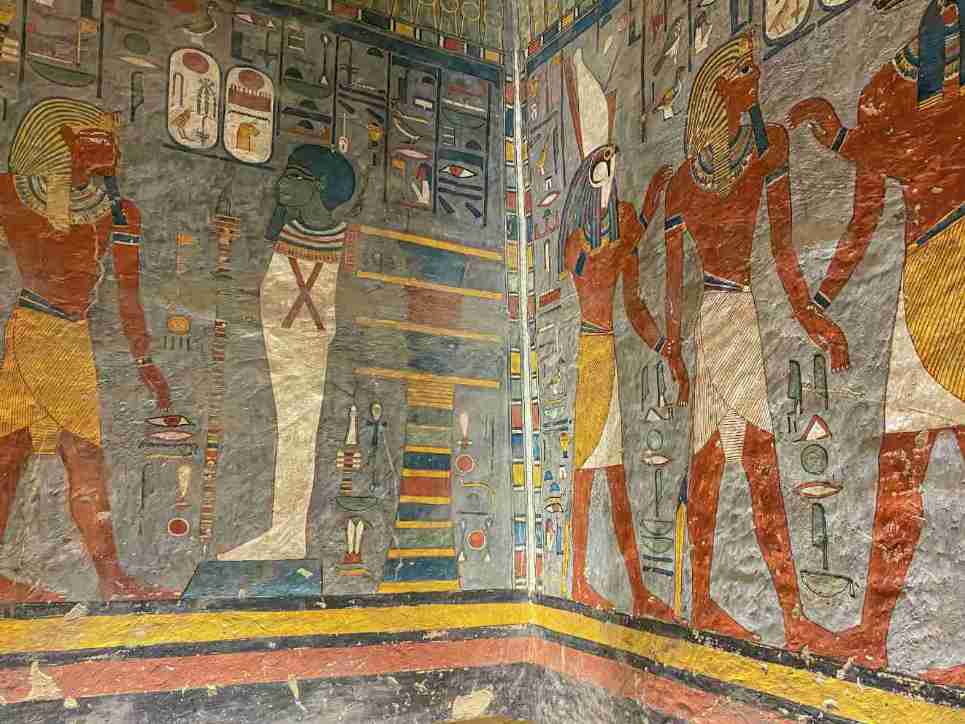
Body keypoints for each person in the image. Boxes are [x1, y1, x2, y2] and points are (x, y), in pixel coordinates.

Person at [788, 0, 965, 675]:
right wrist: (822, 299)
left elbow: (913, 148)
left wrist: (840, 140)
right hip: (925, 276)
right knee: (899, 469)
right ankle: (875, 634)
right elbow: (869, 207)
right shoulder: (893, 83)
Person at [663, 36, 848, 650]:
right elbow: (673, 285)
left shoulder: (769, 151)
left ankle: (766, 613)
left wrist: (813, 316)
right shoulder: (682, 182)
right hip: (716, 322)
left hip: (739, 314)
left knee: (733, 461)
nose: (756, 80)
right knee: (736, 461)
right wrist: (673, 354)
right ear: (717, 84)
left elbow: (783, 252)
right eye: (744, 71)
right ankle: (738, 610)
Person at [0, 98, 171, 601]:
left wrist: (144, 359)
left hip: (67, 338)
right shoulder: (14, 192)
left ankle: (111, 577)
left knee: (33, 453)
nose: (105, 150)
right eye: (90, 141)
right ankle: (111, 578)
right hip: (33, 329)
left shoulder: (120, 213)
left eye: (107, 141)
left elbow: (127, 296)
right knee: (49, 455)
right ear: (60, 145)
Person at [219, 145, 355, 561]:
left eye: (293, 176)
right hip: (274, 343)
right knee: (274, 432)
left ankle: (289, 536)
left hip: (313, 349)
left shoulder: (347, 240)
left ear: (319, 185)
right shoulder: (285, 235)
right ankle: (277, 532)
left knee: (299, 437)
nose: (282, 184)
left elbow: (343, 302)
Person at [561, 142, 676, 620]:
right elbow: (596, 272)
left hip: (607, 352)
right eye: (601, 170)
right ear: (587, 181)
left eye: (614, 168)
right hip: (588, 356)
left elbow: (632, 303)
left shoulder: (623, 228)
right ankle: (577, 580)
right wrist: (643, 217)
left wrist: (664, 346)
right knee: (585, 474)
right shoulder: (578, 242)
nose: (610, 177)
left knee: (616, 476)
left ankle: (638, 590)